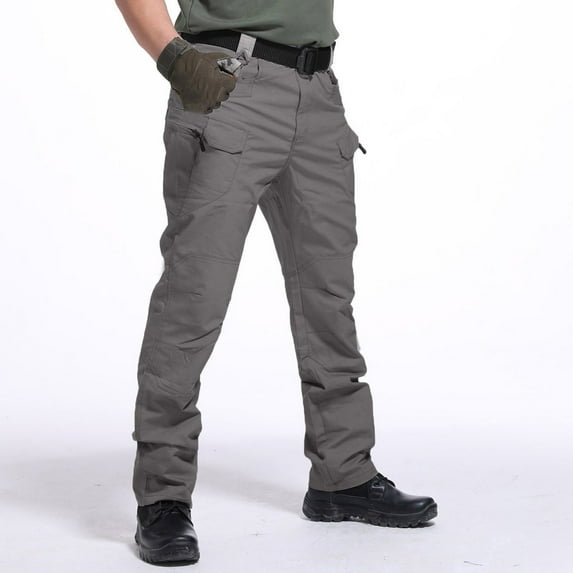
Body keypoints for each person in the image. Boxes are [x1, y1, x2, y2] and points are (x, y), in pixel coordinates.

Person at [115, 0, 438, 565]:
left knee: (329, 299)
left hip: (318, 91)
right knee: (193, 298)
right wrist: (174, 58)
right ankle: (163, 496)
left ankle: (342, 474)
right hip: (227, 84)